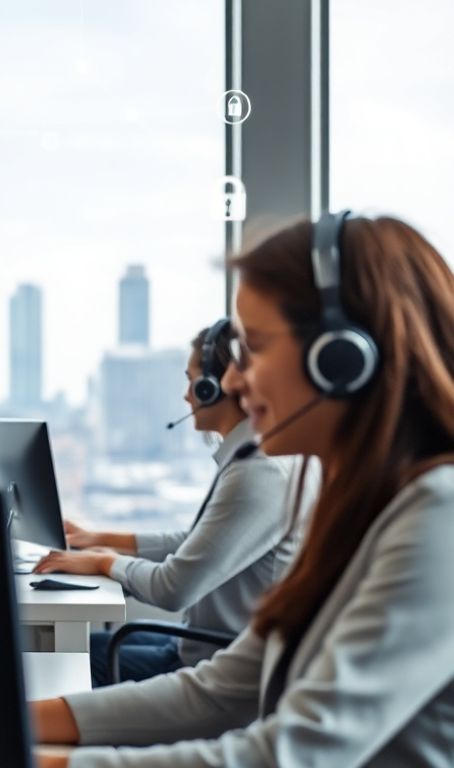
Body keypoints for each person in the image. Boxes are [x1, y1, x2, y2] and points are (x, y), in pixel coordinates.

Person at [30, 213, 454, 766]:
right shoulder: (354, 506)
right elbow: (222, 690)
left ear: (340, 360)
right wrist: (6, 722)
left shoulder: (437, 516)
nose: (230, 381)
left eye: (254, 347)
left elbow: (288, 756)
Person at [34, 319, 312, 686]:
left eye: (191, 379)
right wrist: (99, 538)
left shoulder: (261, 473)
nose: (186, 395)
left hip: (220, 665)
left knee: (57, 666)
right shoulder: (250, 459)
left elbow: (174, 588)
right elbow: (198, 543)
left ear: (215, 386)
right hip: (199, 646)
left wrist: (103, 561)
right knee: (76, 650)